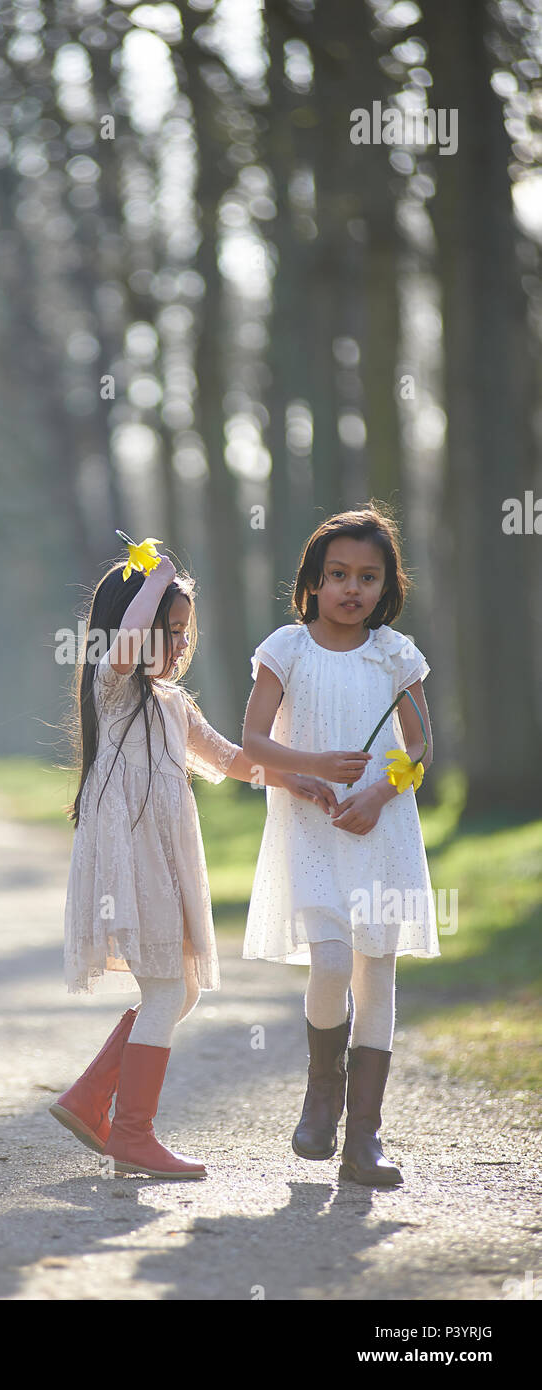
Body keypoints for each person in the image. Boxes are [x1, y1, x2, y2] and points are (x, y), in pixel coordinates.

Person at [51, 546, 338, 1180]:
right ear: (137, 622)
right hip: (133, 859)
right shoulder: (115, 685)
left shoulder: (173, 704)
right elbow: (127, 641)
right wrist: (154, 576)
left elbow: (233, 759)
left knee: (176, 990)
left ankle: (91, 1099)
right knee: (164, 991)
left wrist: (298, 779)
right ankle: (131, 1133)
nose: (180, 643)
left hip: (164, 858)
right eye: (168, 628)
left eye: (185, 632)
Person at [241, 503, 439, 1186]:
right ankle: (320, 1091)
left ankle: (364, 1138)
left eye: (367, 576)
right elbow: (254, 743)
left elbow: (418, 746)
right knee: (329, 962)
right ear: (312, 581)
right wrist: (312, 773)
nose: (351, 589)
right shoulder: (285, 649)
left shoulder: (394, 654)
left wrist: (380, 793)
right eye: (337, 575)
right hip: (309, 826)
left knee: (375, 970)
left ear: (386, 586)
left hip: (379, 828)